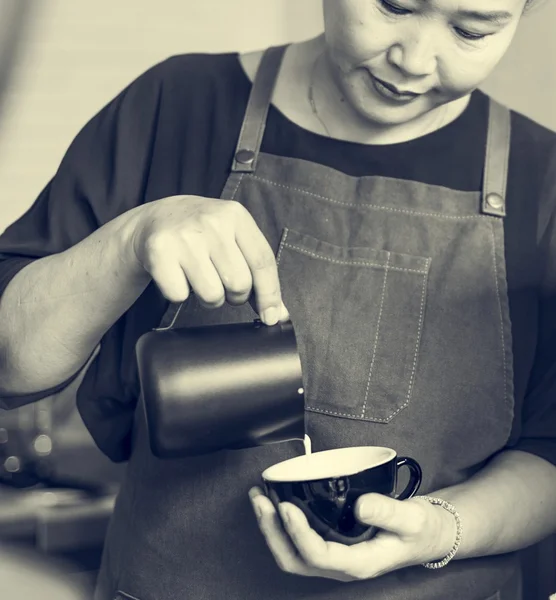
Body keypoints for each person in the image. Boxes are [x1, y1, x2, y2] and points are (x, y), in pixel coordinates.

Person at [0, 0, 555, 598]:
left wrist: (441, 529)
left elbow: (547, 458)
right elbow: (13, 363)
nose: (414, 60)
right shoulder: (177, 104)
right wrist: (132, 240)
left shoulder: (542, 178)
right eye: (394, 5)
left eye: (472, 30)